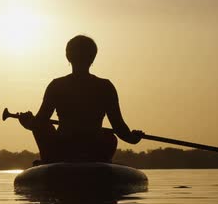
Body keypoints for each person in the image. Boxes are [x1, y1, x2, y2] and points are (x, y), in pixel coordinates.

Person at [19, 35, 143, 163]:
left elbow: (39, 123)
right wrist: (133, 138)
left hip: (63, 149)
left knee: (46, 127)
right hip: (94, 148)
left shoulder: (57, 85)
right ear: (93, 58)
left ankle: (49, 161)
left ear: (68, 57)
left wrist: (28, 123)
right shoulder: (105, 86)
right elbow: (119, 128)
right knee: (109, 137)